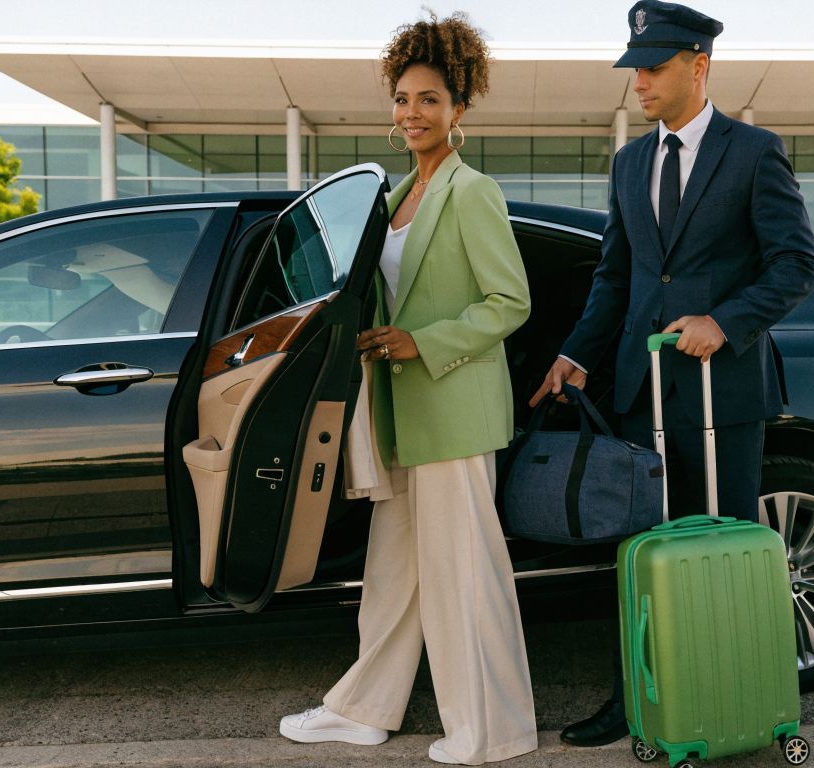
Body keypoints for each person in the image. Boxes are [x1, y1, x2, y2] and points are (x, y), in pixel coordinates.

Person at [529, 0, 814, 748]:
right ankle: (638, 698)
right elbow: (616, 278)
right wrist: (575, 354)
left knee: (718, 554)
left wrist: (723, 322)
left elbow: (798, 264)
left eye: (654, 68)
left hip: (723, 400)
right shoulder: (630, 162)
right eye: (635, 69)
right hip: (641, 395)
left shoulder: (754, 152)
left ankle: (725, 699)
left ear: (700, 64)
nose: (640, 83)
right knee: (641, 557)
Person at [278, 11, 537, 766]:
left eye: (428, 99)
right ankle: (363, 709)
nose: (412, 113)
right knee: (392, 577)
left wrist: (422, 342)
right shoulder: (393, 196)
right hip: (396, 416)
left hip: (452, 413)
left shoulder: (472, 191)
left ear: (459, 108)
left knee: (466, 580)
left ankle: (493, 732)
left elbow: (509, 302)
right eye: (401, 98)